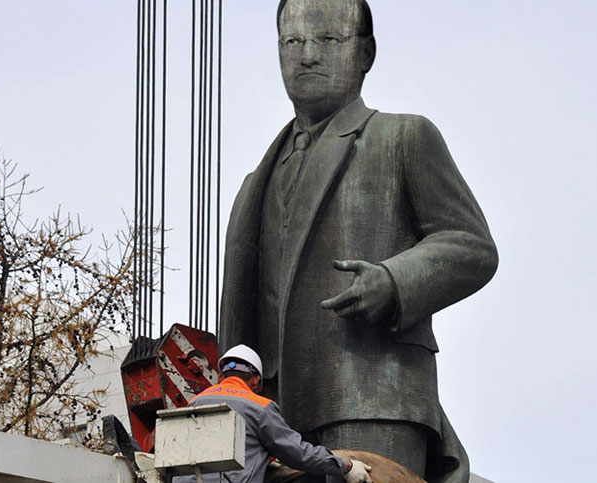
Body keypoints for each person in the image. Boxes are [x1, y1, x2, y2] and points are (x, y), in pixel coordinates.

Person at [219, 0, 499, 481]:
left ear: (365, 52)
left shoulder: (404, 137)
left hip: (372, 396)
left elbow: (471, 245)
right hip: (272, 414)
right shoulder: (254, 184)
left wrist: (394, 281)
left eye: (327, 40)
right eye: (292, 42)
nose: (307, 55)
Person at [181, 345, 373, 483]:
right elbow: (298, 454)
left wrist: (263, 460)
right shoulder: (259, 406)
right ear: (256, 381)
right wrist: (345, 466)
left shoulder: (192, 403)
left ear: (221, 377)